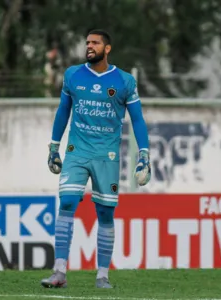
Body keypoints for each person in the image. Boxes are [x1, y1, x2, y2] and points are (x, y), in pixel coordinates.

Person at [41, 29, 151, 289]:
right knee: (66, 202)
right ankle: (59, 272)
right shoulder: (72, 75)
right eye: (87, 42)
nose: (89, 46)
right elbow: (62, 111)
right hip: (76, 151)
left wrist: (144, 154)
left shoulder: (124, 81)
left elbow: (137, 119)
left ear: (107, 48)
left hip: (107, 155)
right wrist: (54, 146)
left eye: (95, 43)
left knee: (104, 212)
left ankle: (102, 275)